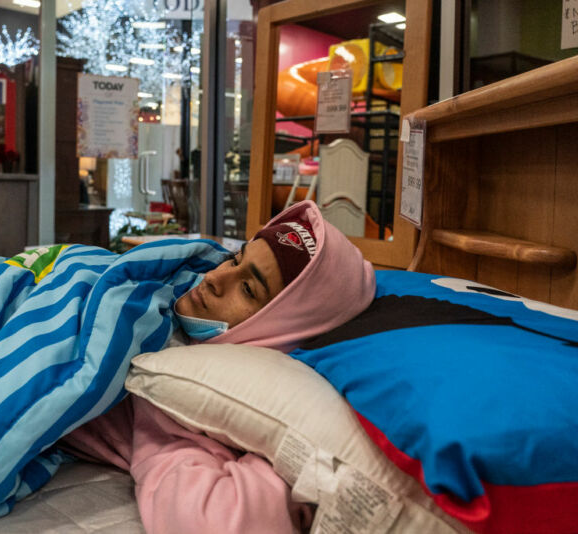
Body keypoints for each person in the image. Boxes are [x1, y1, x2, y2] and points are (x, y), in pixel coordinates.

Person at [61, 199, 376, 534]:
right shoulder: (178, 300)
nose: (215, 278)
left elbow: (210, 519)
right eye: (236, 260)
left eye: (247, 288)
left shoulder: (188, 386)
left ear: (280, 330)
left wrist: (273, 466)